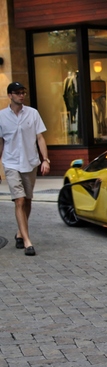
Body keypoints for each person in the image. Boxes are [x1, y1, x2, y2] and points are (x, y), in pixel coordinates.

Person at [0, 82, 50, 256]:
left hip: (30, 163)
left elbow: (40, 138)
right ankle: (28, 242)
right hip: (11, 163)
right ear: (10, 95)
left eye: (23, 92)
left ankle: (20, 233)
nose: (22, 95)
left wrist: (46, 159)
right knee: (19, 200)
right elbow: (0, 144)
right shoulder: (1, 117)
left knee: (28, 200)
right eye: (18, 93)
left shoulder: (33, 113)